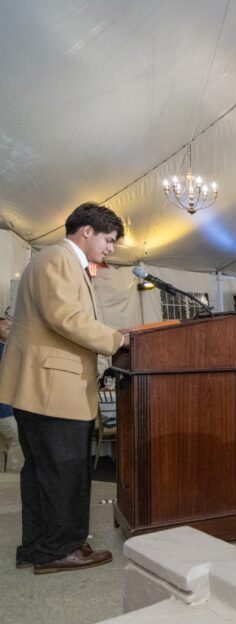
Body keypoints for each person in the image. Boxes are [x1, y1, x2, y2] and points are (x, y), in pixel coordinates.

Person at [0, 202, 130, 574]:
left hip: (44, 386)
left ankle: (38, 548)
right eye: (108, 240)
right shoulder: (58, 259)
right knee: (64, 471)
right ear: (87, 231)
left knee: (43, 472)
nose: (110, 248)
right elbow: (65, 318)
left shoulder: (60, 262)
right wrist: (117, 340)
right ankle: (62, 549)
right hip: (52, 387)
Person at [0, 317, 23, 473]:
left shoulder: (6, 348)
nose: (10, 330)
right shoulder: (4, 350)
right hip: (4, 408)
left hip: (7, 406)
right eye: (6, 327)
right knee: (17, 439)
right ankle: (13, 479)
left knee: (2, 445)